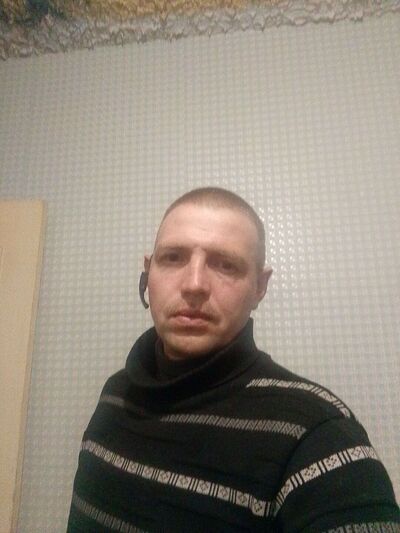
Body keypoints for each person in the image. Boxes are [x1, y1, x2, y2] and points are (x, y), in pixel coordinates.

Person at [67, 187, 399, 532]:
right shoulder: (115, 393)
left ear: (260, 287)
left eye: (226, 264)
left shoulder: (318, 435)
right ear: (148, 274)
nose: (194, 284)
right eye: (173, 258)